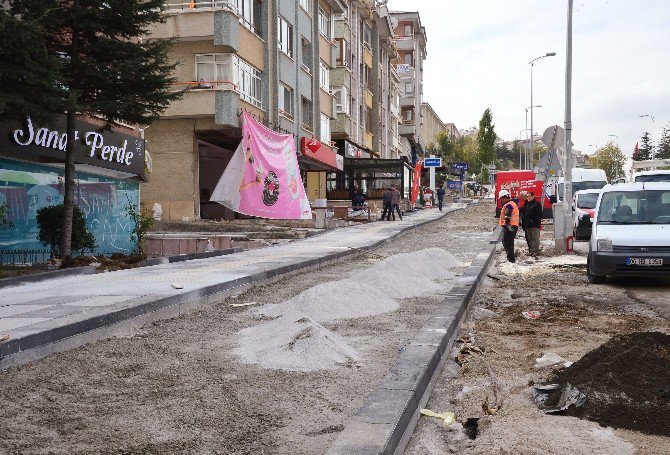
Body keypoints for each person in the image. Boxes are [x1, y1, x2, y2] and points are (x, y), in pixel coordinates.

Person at [498, 189, 519, 263]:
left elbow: (508, 216)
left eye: (501, 198)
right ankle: (511, 258)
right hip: (512, 226)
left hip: (510, 226)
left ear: (505, 197)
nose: (501, 200)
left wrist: (506, 224)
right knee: (508, 242)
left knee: (507, 242)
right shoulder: (512, 203)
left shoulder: (509, 205)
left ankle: (511, 259)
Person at [522, 191, 542, 257]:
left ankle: (536, 251)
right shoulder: (527, 204)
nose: (528, 198)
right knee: (529, 238)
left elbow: (539, 215)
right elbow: (524, 213)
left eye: (529, 196)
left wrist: (533, 221)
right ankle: (531, 250)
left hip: (534, 225)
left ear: (533, 196)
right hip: (527, 225)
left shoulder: (537, 204)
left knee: (535, 238)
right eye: (527, 197)